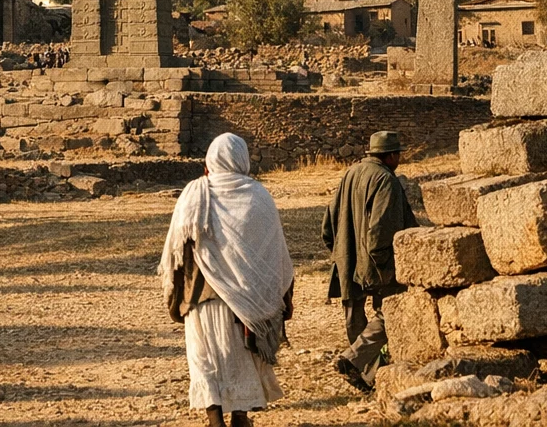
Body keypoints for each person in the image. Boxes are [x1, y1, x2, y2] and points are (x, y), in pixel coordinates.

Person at [159, 133, 294, 427]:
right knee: (241, 360)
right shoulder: (260, 196)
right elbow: (276, 253)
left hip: (202, 295)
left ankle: (214, 417)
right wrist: (283, 298)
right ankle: (240, 416)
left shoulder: (195, 193)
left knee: (205, 359)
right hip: (248, 303)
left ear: (210, 161)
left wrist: (176, 295)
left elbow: (177, 249)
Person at [322, 130, 415, 394]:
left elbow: (327, 223)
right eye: (398, 155)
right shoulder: (386, 180)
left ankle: (366, 374)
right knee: (393, 311)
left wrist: (341, 253)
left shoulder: (351, 173)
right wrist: (382, 263)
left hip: (348, 258)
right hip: (375, 261)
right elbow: (381, 230)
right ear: (391, 156)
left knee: (354, 315)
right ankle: (355, 360)